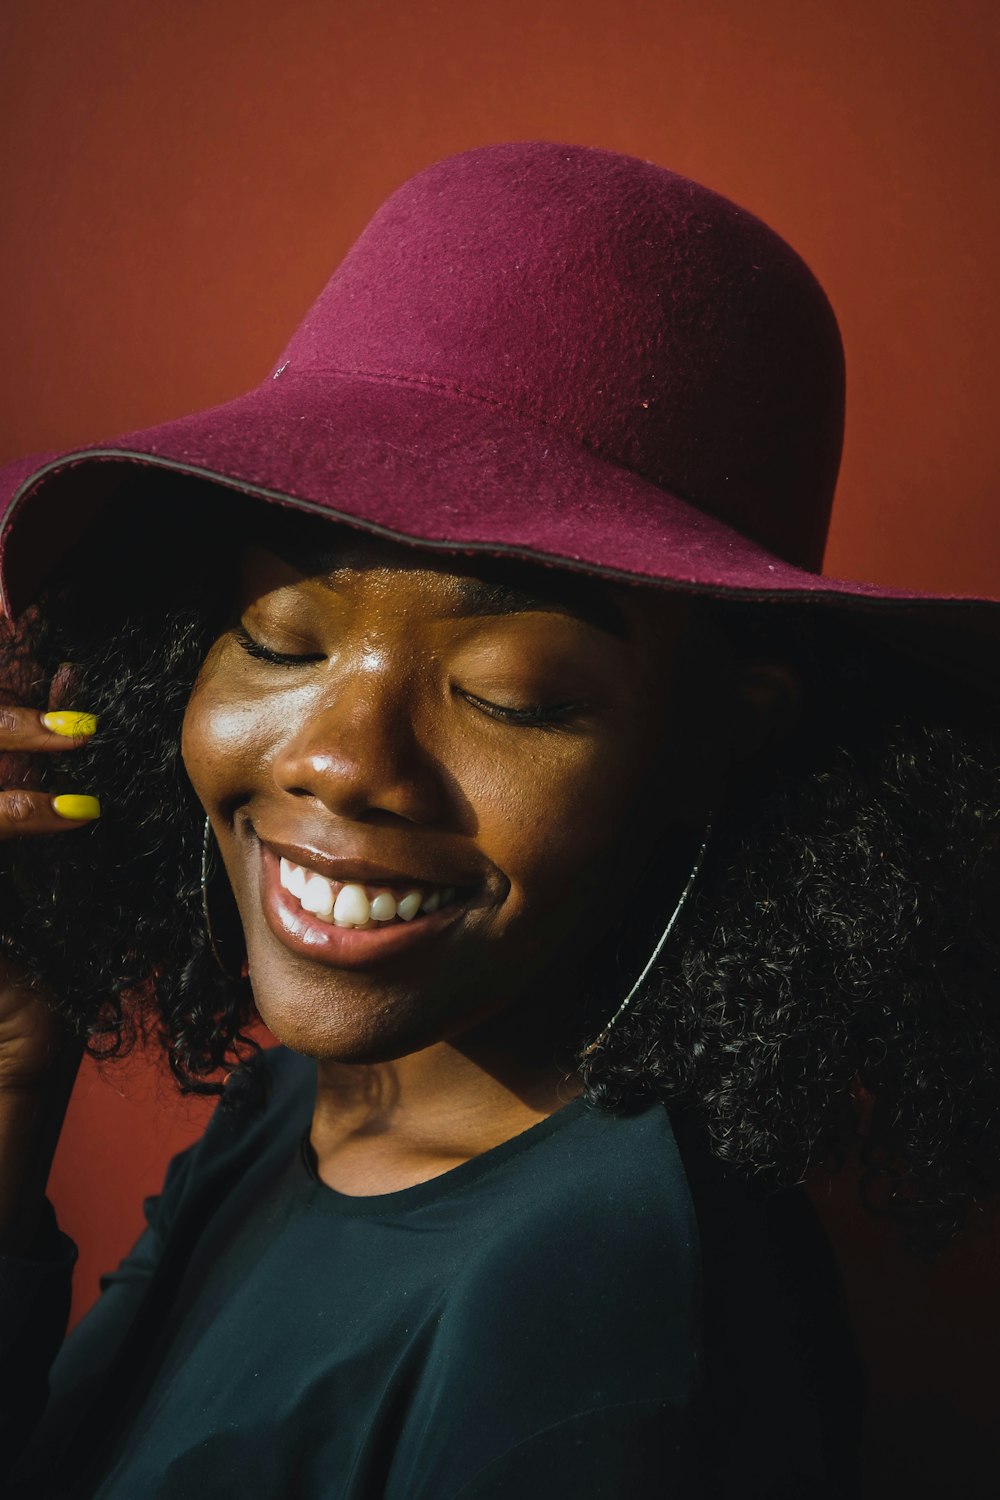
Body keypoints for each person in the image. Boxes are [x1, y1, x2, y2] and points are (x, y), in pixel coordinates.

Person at [0, 140, 996, 1498]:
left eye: (507, 696)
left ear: (713, 738)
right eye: (281, 642)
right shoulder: (315, 1099)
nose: (343, 763)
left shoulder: (597, 1325)